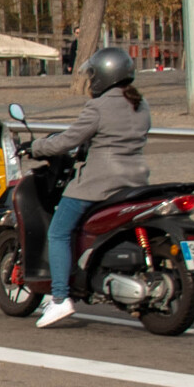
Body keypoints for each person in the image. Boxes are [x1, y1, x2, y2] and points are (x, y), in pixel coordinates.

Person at [27, 48, 150, 329]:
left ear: (104, 76)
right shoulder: (141, 104)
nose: (91, 79)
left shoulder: (98, 107)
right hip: (136, 181)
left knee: (58, 231)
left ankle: (59, 299)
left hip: (99, 184)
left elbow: (67, 140)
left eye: (93, 74)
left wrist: (35, 147)